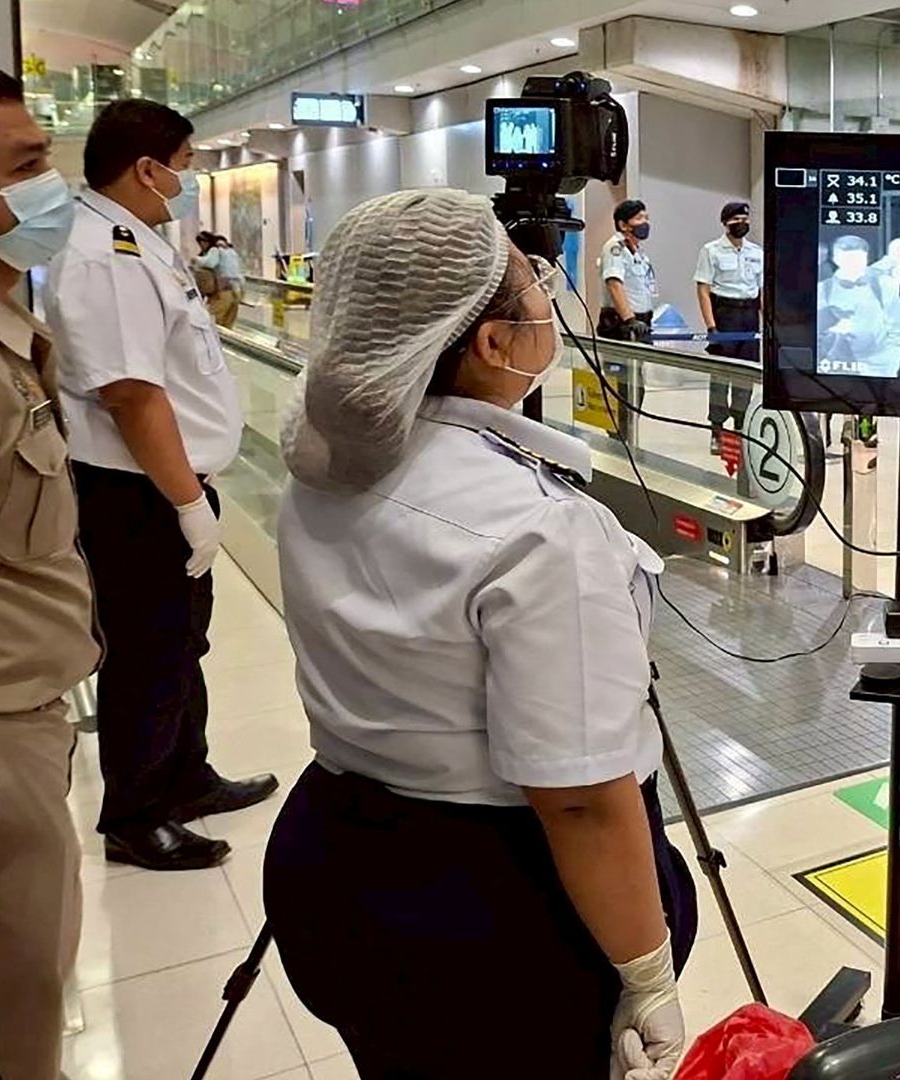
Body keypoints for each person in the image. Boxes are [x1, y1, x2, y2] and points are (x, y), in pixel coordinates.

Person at [267, 189, 695, 1078]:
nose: (547, 287)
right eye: (530, 278)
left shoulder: (322, 459)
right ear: (495, 344)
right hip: (490, 910)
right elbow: (578, 796)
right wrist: (648, 973)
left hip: (339, 862)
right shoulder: (537, 528)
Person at [43, 98, 275, 871]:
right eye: (185, 163)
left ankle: (185, 776)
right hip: (137, 493)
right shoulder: (104, 254)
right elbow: (131, 395)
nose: (189, 177)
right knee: (147, 651)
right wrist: (185, 504)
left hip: (166, 483)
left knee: (181, 643)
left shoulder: (136, 239)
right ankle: (136, 816)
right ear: (146, 169)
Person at [0, 63, 100, 1080]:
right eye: (26, 167)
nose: (51, 187)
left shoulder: (14, 339)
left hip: (31, 718)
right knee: (16, 1025)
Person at [694, 200, 761, 440]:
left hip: (749, 315)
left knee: (746, 373)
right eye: (736, 220)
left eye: (744, 219)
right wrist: (711, 326)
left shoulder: (756, 252)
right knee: (721, 374)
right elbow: (703, 290)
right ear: (725, 223)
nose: (741, 223)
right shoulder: (711, 250)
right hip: (725, 314)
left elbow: (761, 290)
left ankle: (741, 426)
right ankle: (717, 427)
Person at [816, 234, 898, 376]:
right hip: (835, 365)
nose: (855, 264)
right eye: (849, 259)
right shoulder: (823, 289)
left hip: (878, 366)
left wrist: (890, 361)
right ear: (836, 259)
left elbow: (898, 328)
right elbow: (813, 331)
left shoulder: (884, 286)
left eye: (859, 259)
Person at [601, 198, 658, 339]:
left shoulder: (638, 251)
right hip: (622, 322)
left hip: (642, 321)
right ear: (623, 225)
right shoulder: (615, 248)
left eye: (646, 218)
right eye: (639, 218)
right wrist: (629, 320)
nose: (645, 223)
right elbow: (614, 285)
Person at [198, 232, 245, 329]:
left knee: (212, 322)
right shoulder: (233, 253)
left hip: (222, 292)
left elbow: (209, 263)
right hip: (236, 291)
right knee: (228, 323)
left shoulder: (215, 252)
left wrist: (196, 260)